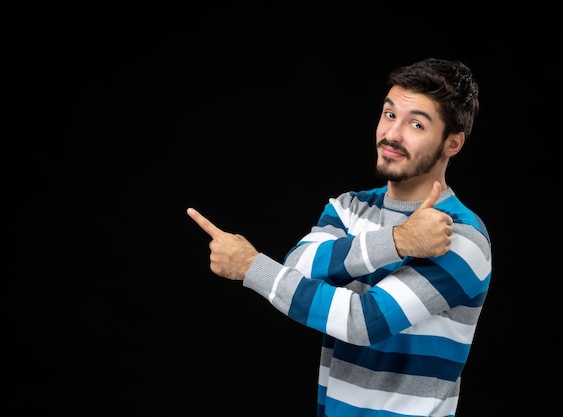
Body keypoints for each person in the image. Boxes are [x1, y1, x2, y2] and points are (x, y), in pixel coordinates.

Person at [187, 57, 492, 417]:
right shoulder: (350, 207)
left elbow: (365, 321)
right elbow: (298, 265)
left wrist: (251, 267)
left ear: (452, 144)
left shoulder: (460, 235)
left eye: (416, 124)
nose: (392, 134)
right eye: (389, 114)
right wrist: (398, 242)